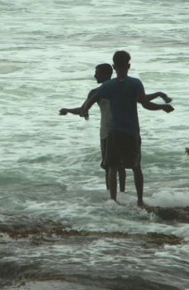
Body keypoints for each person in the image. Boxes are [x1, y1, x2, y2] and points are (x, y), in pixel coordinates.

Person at [60, 63, 171, 195]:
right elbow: (142, 100)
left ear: (107, 74)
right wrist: (68, 110)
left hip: (113, 131)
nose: (95, 75)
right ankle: (115, 194)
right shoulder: (103, 90)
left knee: (114, 167)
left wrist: (158, 95)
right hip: (109, 132)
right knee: (114, 167)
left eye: (97, 72)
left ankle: (118, 195)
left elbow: (141, 99)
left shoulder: (113, 89)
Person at [80, 51, 174, 207]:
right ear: (129, 65)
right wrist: (162, 107)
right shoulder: (135, 83)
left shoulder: (108, 85)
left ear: (114, 66)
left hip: (114, 132)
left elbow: (91, 100)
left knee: (112, 167)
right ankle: (140, 201)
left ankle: (113, 200)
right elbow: (145, 104)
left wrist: (85, 109)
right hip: (131, 131)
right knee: (136, 167)